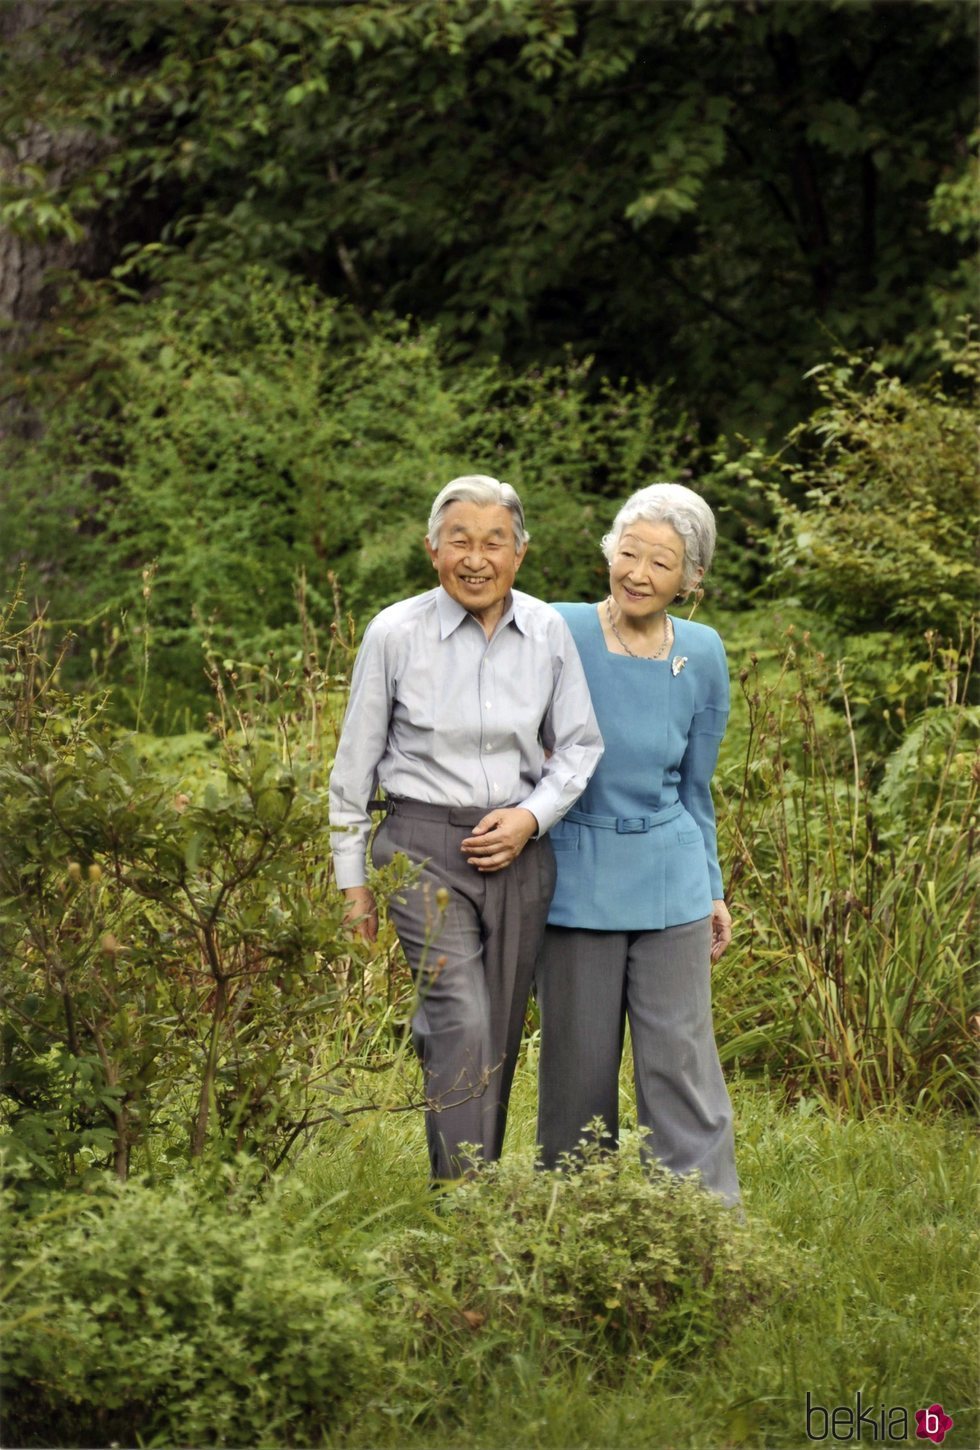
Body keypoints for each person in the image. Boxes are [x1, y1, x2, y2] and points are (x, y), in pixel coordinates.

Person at [329, 475, 603, 1181]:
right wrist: (352, 881)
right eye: (459, 542)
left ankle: (468, 1183)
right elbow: (353, 766)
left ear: (520, 553)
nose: (475, 558)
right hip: (419, 849)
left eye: (494, 543)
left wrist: (531, 817)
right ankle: (466, 1205)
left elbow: (579, 746)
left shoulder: (547, 632)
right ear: (431, 550)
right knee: (462, 1020)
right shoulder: (394, 632)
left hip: (518, 855)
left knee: (499, 1035)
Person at [535, 482, 740, 1205]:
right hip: (574, 881)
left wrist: (712, 886)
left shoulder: (705, 653)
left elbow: (696, 784)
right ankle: (574, 1237)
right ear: (608, 553)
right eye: (629, 552)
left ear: (692, 579)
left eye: (663, 561)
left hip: (672, 877)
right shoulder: (557, 629)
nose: (640, 573)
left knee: (680, 1068)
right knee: (577, 1076)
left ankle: (704, 1239)